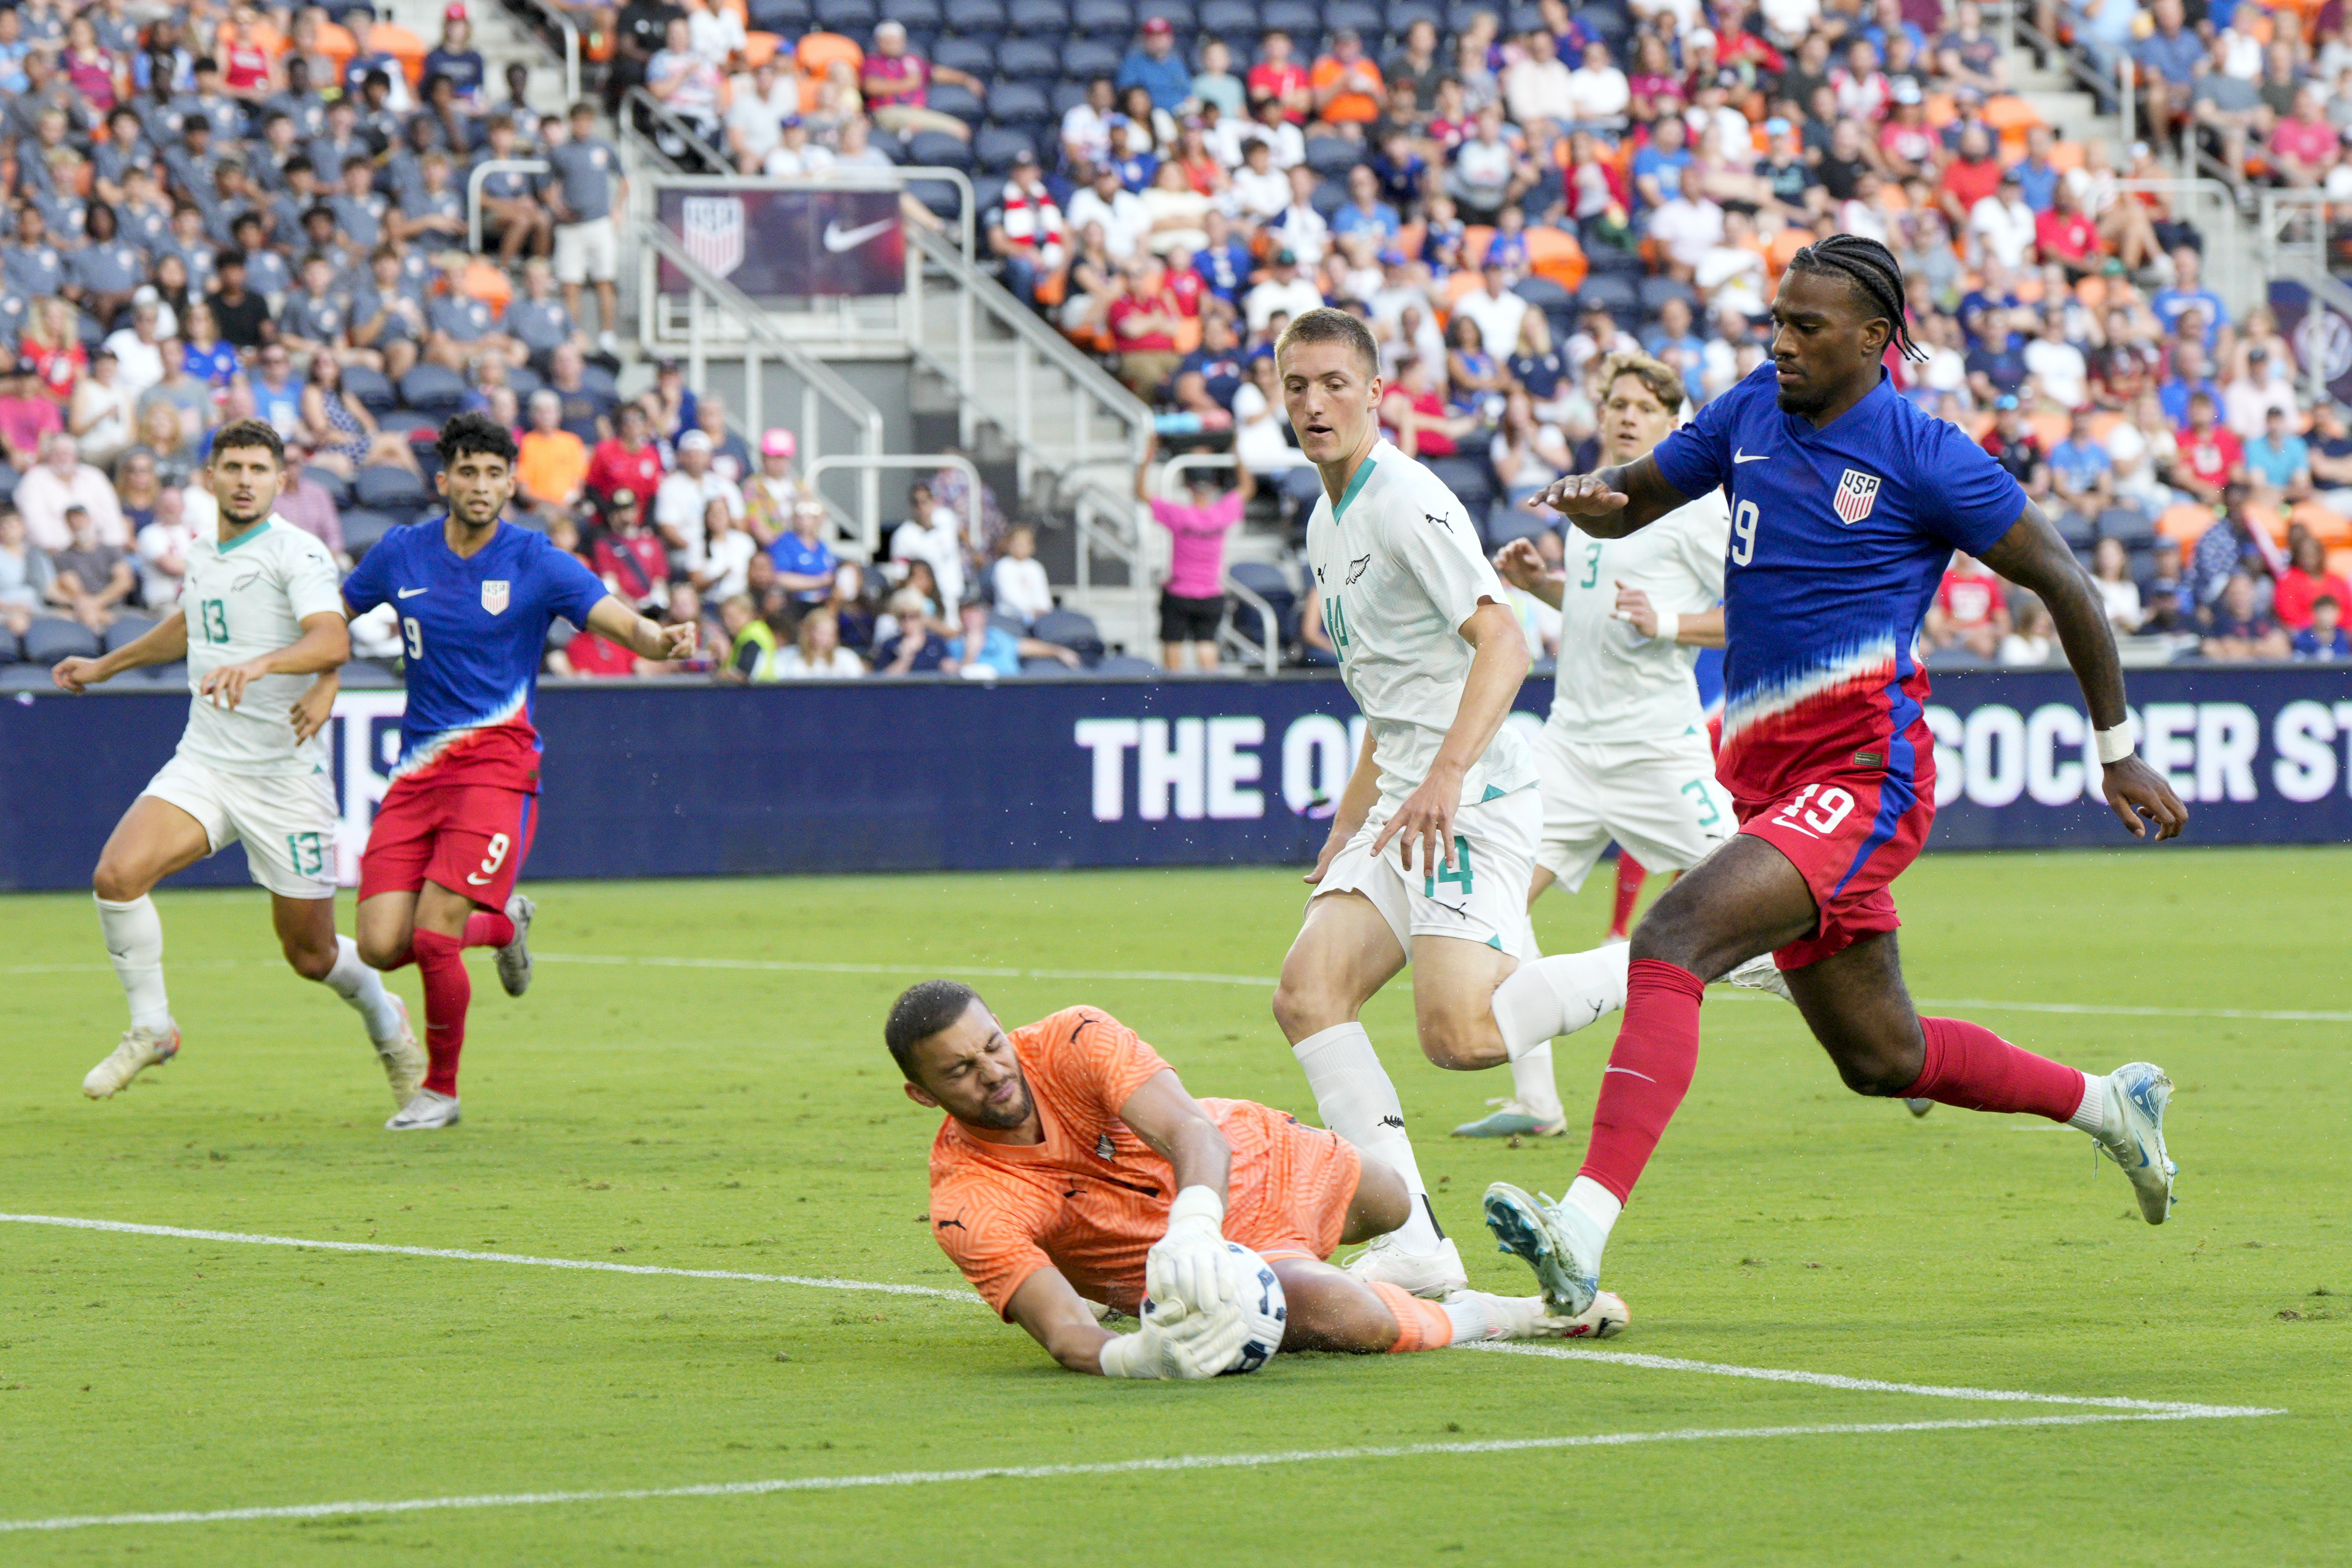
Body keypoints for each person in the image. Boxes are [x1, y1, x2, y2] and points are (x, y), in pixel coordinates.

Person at [1499, 234, 2191, 1323]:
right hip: (1767, 782)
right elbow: (1635, 498)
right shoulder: (1748, 414)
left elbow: (2063, 578)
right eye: (1775, 319)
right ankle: (2112, 1105)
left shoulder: (1926, 453)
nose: (1780, 342)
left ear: (1874, 339)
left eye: (1805, 326)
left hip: (1864, 774)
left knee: (1673, 935)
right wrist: (1585, 499)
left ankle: (1581, 1228)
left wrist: (2116, 748)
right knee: (1883, 1055)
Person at [888, 982, 1626, 1376]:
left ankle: (1348, 1268)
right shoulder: (965, 1200)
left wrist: (1193, 1223)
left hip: (1248, 1156)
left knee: (1392, 1197)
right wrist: (1135, 1357)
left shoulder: (1071, 1036)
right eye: (959, 1069)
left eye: (991, 1045)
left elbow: (1189, 1133)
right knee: (1347, 1319)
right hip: (1209, 1265)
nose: (992, 1072)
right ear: (923, 1095)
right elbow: (1065, 1335)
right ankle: (1516, 1313)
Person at [1262, 307, 1536, 1299]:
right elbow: (1390, 693)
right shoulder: (1324, 517)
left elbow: (1505, 643)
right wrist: (1347, 825)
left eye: (1335, 383)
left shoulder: (1404, 500)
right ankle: (1416, 1238)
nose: (1314, 403)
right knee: (1306, 994)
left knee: (1458, 1038)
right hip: (1403, 796)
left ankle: (1671, 955)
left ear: (1378, 392)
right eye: (1296, 386)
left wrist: (1447, 777)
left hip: (1466, 787)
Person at [339, 414, 697, 1131]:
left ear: (511, 482)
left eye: (493, 473)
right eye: (465, 472)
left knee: (436, 934)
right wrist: (311, 675)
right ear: (443, 480)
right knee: (381, 942)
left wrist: (656, 639)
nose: (479, 485)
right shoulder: (399, 554)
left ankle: (439, 1090)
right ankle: (505, 926)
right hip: (416, 773)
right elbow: (331, 619)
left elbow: (613, 617)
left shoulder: (535, 559)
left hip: (497, 768)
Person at [50, 419, 421, 1105]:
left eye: (259, 468)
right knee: (116, 874)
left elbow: (331, 639)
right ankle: (152, 1026)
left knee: (309, 954)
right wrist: (108, 663)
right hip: (207, 759)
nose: (245, 480)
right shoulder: (202, 552)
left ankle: (384, 1015)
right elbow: (193, 624)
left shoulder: (297, 553)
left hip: (284, 776)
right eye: (234, 467)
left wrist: (262, 664)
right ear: (210, 477)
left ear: (280, 480)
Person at [1477, 350, 1783, 1140]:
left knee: (1765, 913)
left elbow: (1760, 612)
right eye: (1613, 401)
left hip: (1657, 750)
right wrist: (1540, 583)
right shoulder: (1592, 503)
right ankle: (1536, 1099)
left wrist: (1670, 624)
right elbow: (1594, 608)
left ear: (1672, 423)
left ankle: (1885, 1031)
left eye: (1641, 407)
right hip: (1570, 748)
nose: (1622, 415)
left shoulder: (1697, 511)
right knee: (1493, 898)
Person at [1138, 432, 1252, 672]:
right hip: (1211, 592)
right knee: (1206, 645)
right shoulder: (1222, 513)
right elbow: (1247, 488)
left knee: (1172, 646)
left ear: (1189, 487)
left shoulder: (1178, 515)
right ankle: (1209, 696)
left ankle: (1173, 698)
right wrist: (1236, 453)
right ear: (1213, 487)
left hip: (1179, 591)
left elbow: (1141, 493)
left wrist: (1147, 458)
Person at [544, 101, 628, 351]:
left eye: (586, 120)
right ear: (571, 122)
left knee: (605, 280)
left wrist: (617, 208)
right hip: (571, 226)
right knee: (571, 284)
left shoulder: (602, 148)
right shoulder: (561, 152)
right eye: (578, 120)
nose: (582, 125)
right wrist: (559, 209)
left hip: (599, 222)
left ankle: (607, 335)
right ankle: (574, 334)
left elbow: (624, 179)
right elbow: (548, 187)